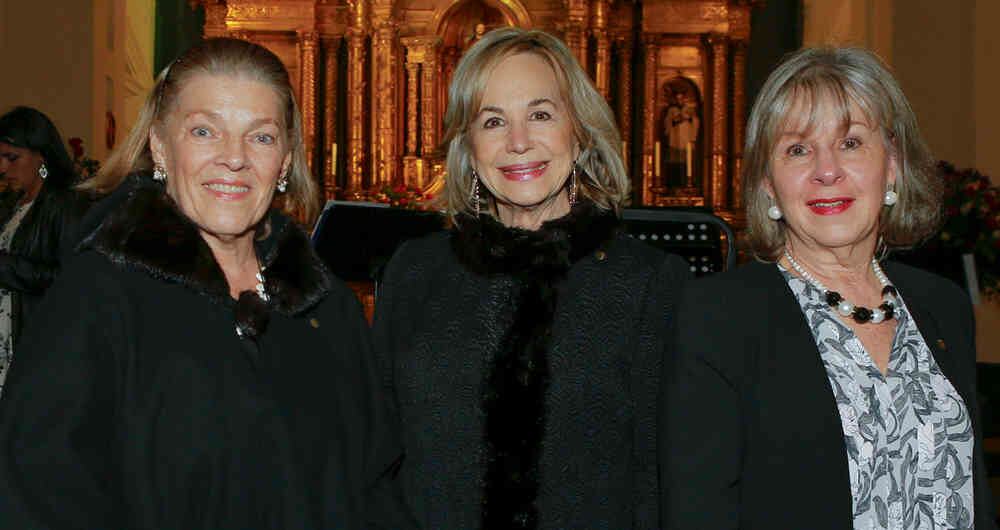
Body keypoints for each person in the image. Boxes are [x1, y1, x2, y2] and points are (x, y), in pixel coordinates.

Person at [0, 38, 405, 529]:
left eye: (260, 137)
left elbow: (375, 485)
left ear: (285, 158)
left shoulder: (325, 304)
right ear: (158, 145)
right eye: (204, 131)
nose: (234, 159)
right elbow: (38, 496)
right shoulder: (97, 296)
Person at [660, 47, 998, 529]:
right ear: (768, 185)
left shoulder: (942, 305)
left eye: (852, 143)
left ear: (894, 165)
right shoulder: (717, 316)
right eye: (797, 149)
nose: (826, 170)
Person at [373, 27, 689, 529]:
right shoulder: (415, 272)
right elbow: (379, 459)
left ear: (580, 131)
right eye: (493, 120)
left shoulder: (650, 282)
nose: (519, 142)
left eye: (541, 114)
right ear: (467, 143)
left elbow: (663, 480)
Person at [0, 106, 87, 395]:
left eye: (12, 158)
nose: (3, 167)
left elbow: (72, 280)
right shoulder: (12, 203)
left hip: (34, 351)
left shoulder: (64, 204)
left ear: (41, 157)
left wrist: (5, 266)